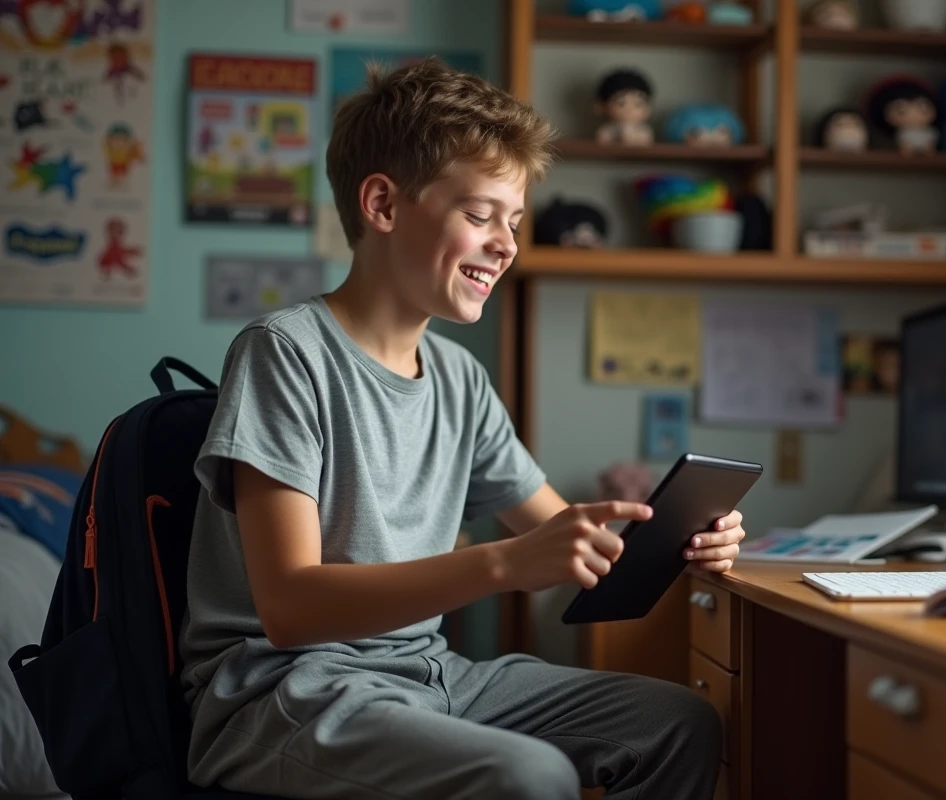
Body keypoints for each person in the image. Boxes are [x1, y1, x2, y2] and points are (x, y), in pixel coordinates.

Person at [179, 58, 743, 800]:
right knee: (528, 775)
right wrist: (505, 564)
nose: (507, 244)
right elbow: (291, 609)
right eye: (481, 215)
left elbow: (573, 539)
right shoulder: (284, 353)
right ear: (382, 204)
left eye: (513, 221)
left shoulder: (458, 376)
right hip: (288, 690)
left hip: (427, 672)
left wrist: (677, 538)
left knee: (680, 722)